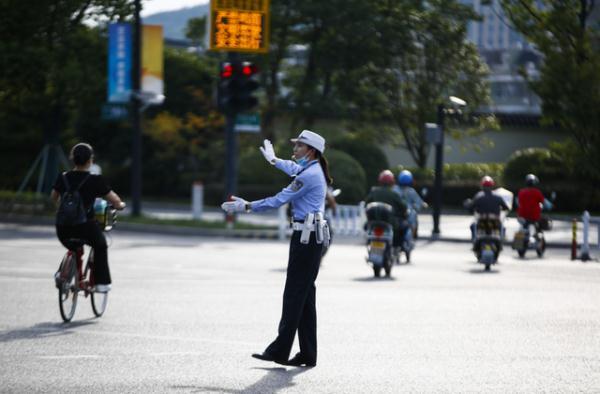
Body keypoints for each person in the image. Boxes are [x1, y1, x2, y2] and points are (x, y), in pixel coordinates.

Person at [221, 130, 332, 368]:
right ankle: (307, 354)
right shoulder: (311, 169)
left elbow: (278, 200)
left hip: (306, 238)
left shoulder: (310, 175)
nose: (295, 150)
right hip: (310, 237)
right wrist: (273, 161)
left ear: (311, 151)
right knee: (304, 297)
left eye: (299, 146)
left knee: (294, 294)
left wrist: (247, 206)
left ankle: (279, 350)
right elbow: (292, 168)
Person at [51, 143, 126, 293]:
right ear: (90, 160)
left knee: (73, 246)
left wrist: (66, 209)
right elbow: (114, 199)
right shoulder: (95, 179)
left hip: (62, 227)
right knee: (100, 245)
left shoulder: (63, 177)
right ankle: (101, 283)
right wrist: (120, 205)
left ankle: (62, 273)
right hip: (84, 227)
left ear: (73, 159)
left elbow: (53, 198)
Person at [365, 170, 408, 250]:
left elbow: (366, 204)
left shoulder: (374, 192)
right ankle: (397, 247)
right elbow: (403, 207)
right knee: (404, 226)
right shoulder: (394, 194)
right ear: (392, 182)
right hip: (390, 223)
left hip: (373, 222)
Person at [465, 176, 509, 240]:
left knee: (473, 226)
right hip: (495, 222)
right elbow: (506, 208)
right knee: (503, 227)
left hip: (481, 221)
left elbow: (471, 208)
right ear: (492, 186)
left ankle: (474, 241)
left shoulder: (479, 196)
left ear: (482, 186)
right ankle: (502, 240)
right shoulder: (498, 197)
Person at [392, 170, 425, 238]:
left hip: (396, 211)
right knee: (413, 215)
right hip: (406, 212)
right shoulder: (411, 191)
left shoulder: (394, 189)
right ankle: (412, 236)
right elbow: (418, 203)